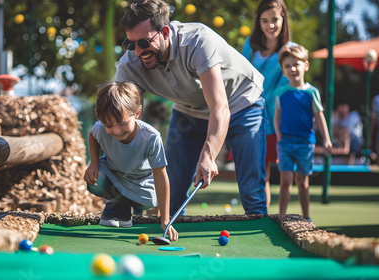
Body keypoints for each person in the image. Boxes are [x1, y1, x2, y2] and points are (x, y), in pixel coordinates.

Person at [116, 0, 267, 216]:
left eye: (144, 42)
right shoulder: (129, 65)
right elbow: (124, 118)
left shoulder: (198, 41)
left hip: (242, 102)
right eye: (130, 44)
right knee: (172, 195)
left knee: (252, 192)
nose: (138, 51)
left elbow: (220, 107)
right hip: (190, 110)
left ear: (165, 32)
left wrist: (209, 154)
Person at [83, 81, 178, 241]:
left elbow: (161, 176)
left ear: (137, 113)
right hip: (113, 174)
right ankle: (117, 204)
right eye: (109, 125)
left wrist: (165, 220)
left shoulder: (151, 137)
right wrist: (94, 162)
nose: (117, 131)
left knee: (150, 201)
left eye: (122, 123)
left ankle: (127, 206)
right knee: (95, 181)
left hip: (140, 181)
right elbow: (93, 134)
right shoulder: (101, 128)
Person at [241, 0, 294, 208]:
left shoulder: (291, 50)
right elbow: (241, 77)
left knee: (279, 175)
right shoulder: (249, 46)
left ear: (284, 20)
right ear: (258, 22)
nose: (270, 25)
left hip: (276, 120)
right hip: (251, 118)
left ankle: (275, 218)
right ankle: (258, 217)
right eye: (264, 20)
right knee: (255, 173)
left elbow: (290, 88)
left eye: (275, 19)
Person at [273, 44, 332, 222]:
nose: (292, 69)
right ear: (283, 71)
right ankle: (281, 217)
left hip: (305, 143)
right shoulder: (281, 92)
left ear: (305, 65)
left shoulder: (312, 92)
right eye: (287, 66)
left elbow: (319, 117)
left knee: (302, 181)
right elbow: (277, 116)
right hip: (285, 143)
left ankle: (306, 217)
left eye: (296, 64)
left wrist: (327, 140)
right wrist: (279, 136)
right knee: (285, 180)